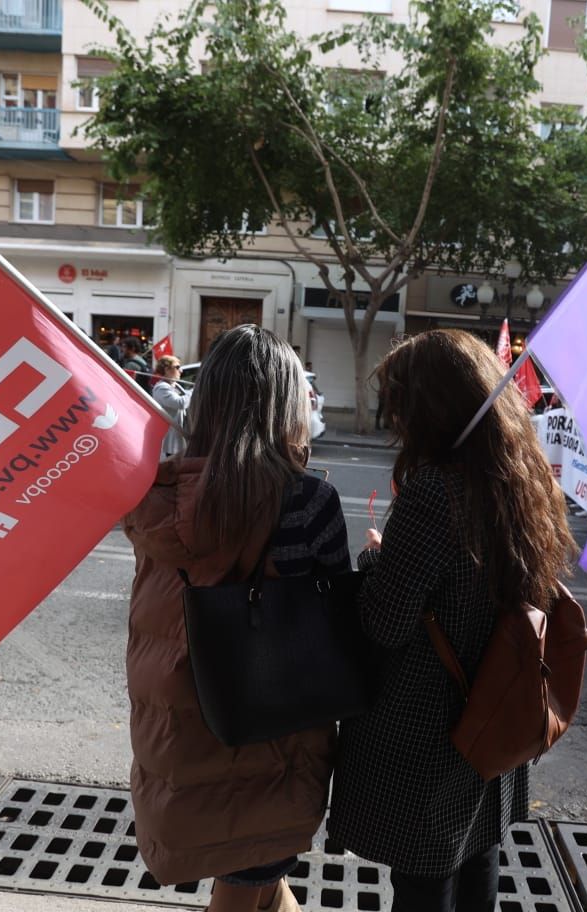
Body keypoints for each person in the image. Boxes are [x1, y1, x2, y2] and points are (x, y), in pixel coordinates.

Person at [328, 329, 576, 912]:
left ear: (431, 407)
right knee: (476, 861)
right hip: (497, 713)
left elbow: (384, 622)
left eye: (401, 402)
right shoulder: (525, 478)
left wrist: (377, 557)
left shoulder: (433, 492)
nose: (395, 418)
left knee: (425, 882)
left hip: (431, 731)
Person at [122, 325, 347, 912]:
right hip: (274, 742)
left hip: (183, 735)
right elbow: (337, 616)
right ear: (286, 404)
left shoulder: (160, 495)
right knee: (250, 880)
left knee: (257, 879)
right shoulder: (306, 501)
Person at [151, 355, 188, 460]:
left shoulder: (175, 385)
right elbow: (180, 403)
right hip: (170, 441)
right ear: (167, 369)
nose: (180, 370)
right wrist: (196, 390)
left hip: (180, 436)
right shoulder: (161, 388)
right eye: (177, 367)